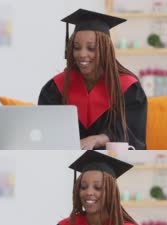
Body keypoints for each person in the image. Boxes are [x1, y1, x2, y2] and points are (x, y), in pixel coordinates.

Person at [38, 9, 147, 150]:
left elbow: (134, 133)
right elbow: (43, 132)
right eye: (76, 47)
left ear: (106, 50)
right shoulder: (56, 87)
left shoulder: (128, 87)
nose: (82, 54)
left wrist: (99, 139)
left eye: (91, 48)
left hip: (111, 158)